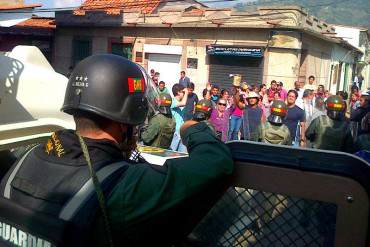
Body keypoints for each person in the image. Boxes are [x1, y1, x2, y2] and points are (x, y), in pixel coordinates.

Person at [0, 54, 233, 247]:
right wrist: (193, 129)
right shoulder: (126, 185)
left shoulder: (26, 158)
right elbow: (216, 162)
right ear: (125, 123)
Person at [170, 84, 189, 152]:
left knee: (182, 155)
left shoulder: (179, 102)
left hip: (182, 132)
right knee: (171, 153)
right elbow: (183, 103)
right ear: (178, 92)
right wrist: (186, 92)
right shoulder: (172, 101)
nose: (184, 94)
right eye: (183, 92)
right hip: (175, 132)